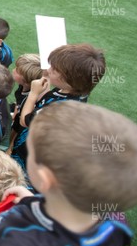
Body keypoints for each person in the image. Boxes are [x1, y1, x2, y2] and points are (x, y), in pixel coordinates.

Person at [0, 101, 137, 246]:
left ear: (45, 178)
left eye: (30, 151)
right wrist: (33, 201)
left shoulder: (18, 242)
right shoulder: (117, 225)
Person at [11, 43, 106, 172]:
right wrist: (48, 74)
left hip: (29, 154)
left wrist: (33, 93)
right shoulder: (78, 90)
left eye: (54, 69)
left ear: (68, 80)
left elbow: (25, 120)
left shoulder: (58, 107)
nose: (48, 69)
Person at [5, 54, 42, 156]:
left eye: (17, 70)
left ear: (26, 80)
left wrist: (10, 145)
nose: (13, 70)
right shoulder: (22, 87)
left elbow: (19, 126)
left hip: (23, 124)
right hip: (18, 112)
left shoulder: (29, 100)